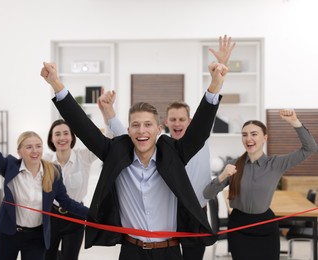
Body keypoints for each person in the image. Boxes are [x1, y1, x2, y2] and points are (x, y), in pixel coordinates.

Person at [41, 59, 227, 260]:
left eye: (148, 124)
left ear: (158, 129)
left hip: (169, 252)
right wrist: (56, 84)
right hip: (132, 251)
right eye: (136, 125)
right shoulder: (116, 152)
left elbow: (199, 130)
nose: (142, 131)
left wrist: (214, 86)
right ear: (128, 130)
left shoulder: (174, 152)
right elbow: (83, 128)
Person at [97, 35, 236, 260]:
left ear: (189, 122)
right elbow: (128, 136)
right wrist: (109, 113)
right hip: (166, 217)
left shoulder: (198, 140)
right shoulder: (160, 148)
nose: (178, 123)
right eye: (173, 119)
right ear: (166, 124)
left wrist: (219, 76)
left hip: (191, 214)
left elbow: (205, 117)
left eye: (182, 119)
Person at [0, 106, 89, 260]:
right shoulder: (10, 167)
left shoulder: (53, 172)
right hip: (8, 234)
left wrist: (92, 214)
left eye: (38, 146)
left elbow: (66, 202)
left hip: (36, 238)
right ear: (20, 151)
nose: (35, 151)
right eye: (29, 147)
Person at [203, 109, 318, 260]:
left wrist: (294, 122)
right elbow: (207, 194)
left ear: (265, 138)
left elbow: (310, 148)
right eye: (244, 135)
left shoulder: (276, 164)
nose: (248, 138)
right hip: (239, 226)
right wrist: (222, 176)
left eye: (254, 134)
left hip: (266, 226)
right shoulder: (233, 165)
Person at [44, 119, 98, 260]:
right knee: (47, 257)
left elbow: (105, 142)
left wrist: (108, 113)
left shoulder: (83, 156)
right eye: (57, 134)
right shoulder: (46, 161)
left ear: (72, 137)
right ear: (51, 138)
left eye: (66, 133)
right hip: (52, 216)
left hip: (76, 216)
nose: (62, 138)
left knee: (70, 258)